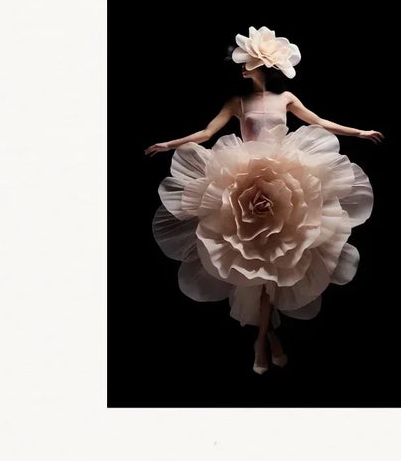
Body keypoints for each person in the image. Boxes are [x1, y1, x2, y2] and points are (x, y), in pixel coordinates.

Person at [145, 27, 382, 374]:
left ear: (261, 67)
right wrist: (169, 144)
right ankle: (265, 340)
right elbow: (209, 133)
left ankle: (262, 341)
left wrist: (358, 132)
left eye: (247, 63)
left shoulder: (285, 97)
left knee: (279, 266)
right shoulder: (237, 102)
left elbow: (318, 122)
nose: (242, 68)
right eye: (242, 63)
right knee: (256, 269)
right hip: (242, 172)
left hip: (289, 170)